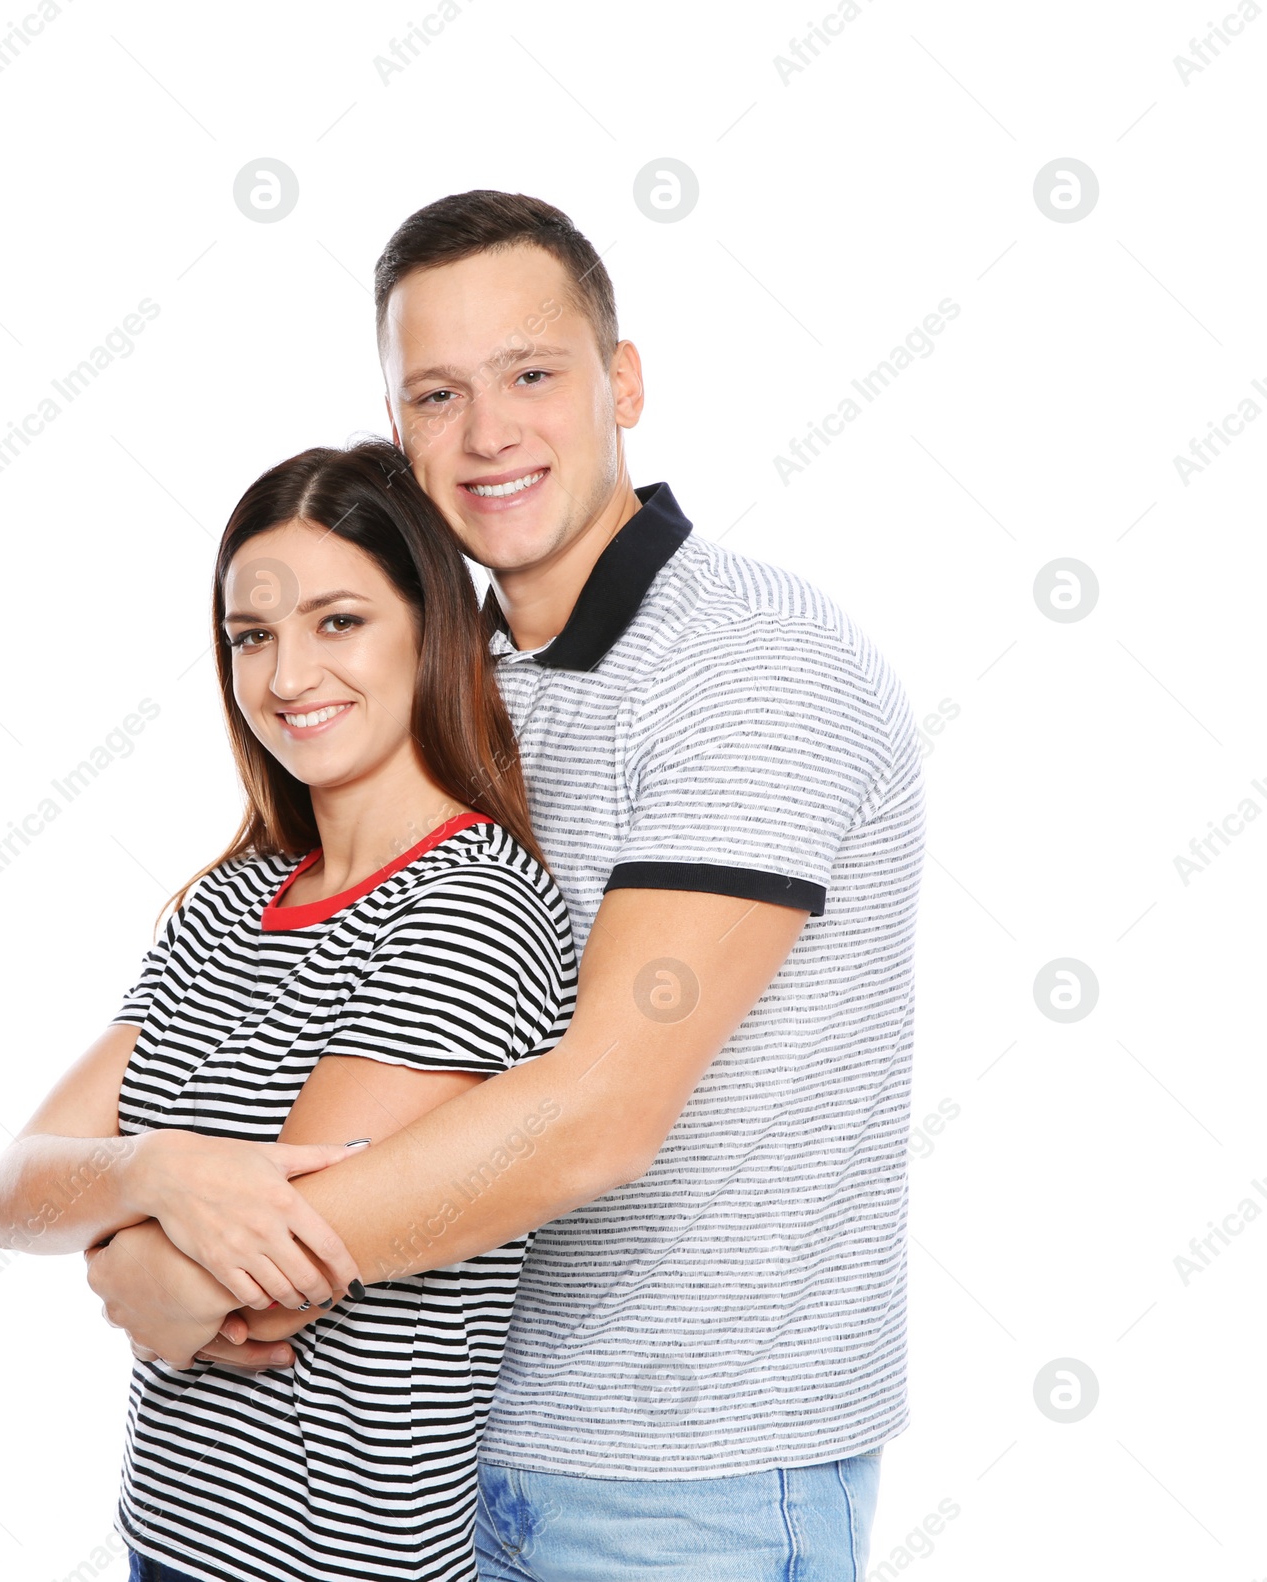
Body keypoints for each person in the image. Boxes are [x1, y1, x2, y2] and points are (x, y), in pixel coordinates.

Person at [81, 191, 927, 1581]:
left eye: (531, 374)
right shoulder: (448, 684)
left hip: (689, 1478)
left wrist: (205, 1263)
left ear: (623, 382)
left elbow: (599, 1113)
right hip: (436, 1456)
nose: (487, 433)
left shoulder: (756, 665)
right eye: (437, 393)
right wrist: (136, 1199)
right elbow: (264, 1025)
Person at [0, 440, 579, 1581]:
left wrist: (128, 1240)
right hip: (167, 1544)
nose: (288, 676)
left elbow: (272, 1264)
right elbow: (15, 1187)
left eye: (338, 620)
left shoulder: (471, 903)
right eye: (252, 636)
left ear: (430, 627)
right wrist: (153, 1174)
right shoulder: (227, 901)